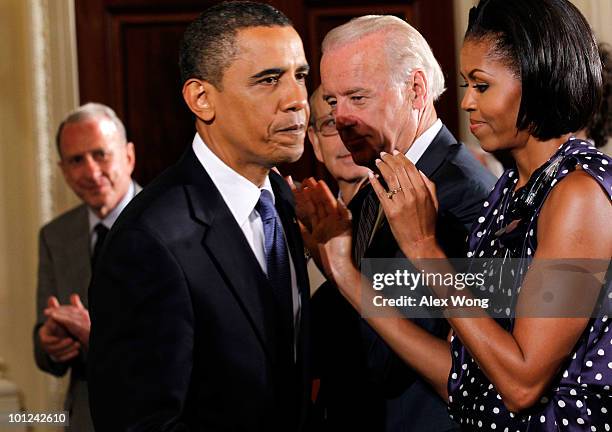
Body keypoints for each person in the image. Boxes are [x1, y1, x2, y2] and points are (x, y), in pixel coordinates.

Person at [304, 0, 612, 430]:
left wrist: (423, 247)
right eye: (467, 84)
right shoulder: (511, 191)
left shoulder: (577, 192)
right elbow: (464, 373)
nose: (465, 102)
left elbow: (521, 384)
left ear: (539, 83)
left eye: (481, 86)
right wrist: (342, 269)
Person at [87, 2, 311, 431]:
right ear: (201, 98)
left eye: (299, 75)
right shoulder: (149, 241)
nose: (297, 100)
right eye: (269, 80)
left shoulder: (281, 198)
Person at [307, 15, 496, 431]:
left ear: (415, 89)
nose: (340, 120)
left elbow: (394, 360)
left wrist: (342, 270)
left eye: (357, 97)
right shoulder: (385, 172)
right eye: (334, 102)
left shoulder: (462, 194)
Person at [33, 102, 139, 431]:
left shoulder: (172, 221)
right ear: (63, 170)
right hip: (84, 419)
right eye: (77, 160)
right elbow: (42, 350)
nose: (91, 172)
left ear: (128, 156)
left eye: (100, 154)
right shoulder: (55, 236)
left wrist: (96, 336)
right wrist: (49, 342)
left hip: (155, 413)